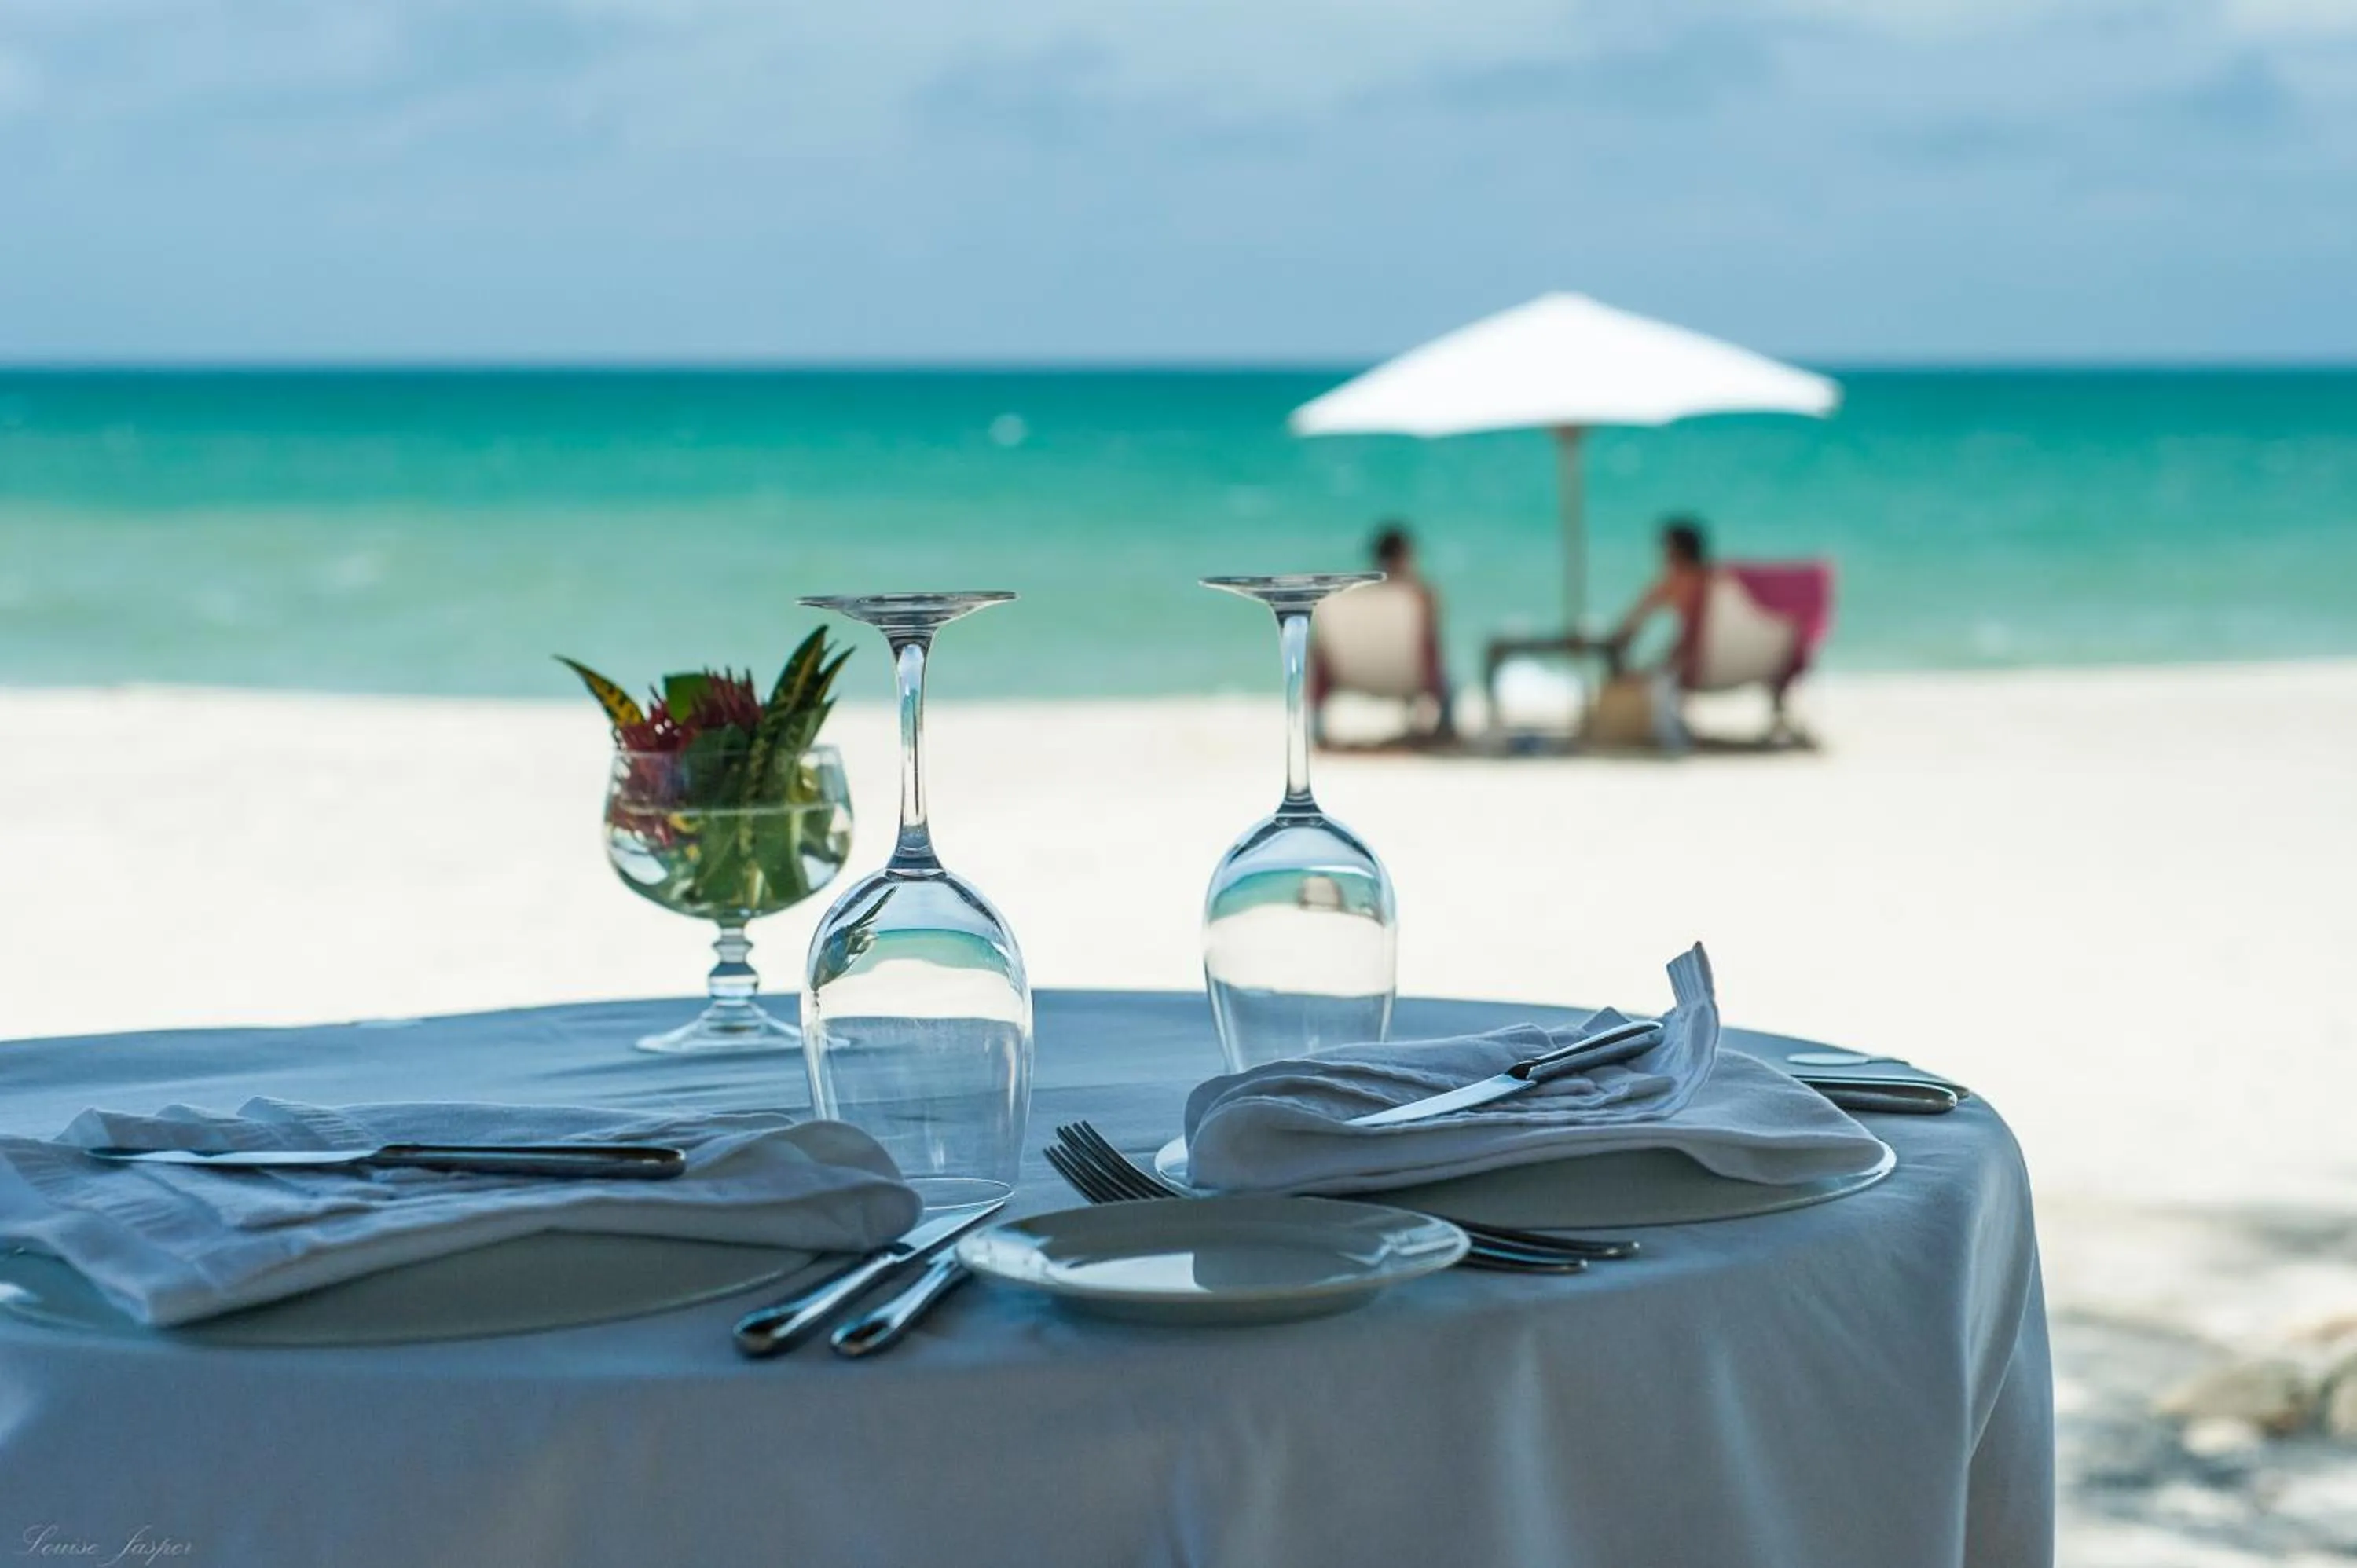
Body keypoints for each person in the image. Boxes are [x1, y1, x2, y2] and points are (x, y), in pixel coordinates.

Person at [1604, 515, 1714, 753]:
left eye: (1666, 547)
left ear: (1676, 550)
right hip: (1728, 662)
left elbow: (1632, 623)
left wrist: (1615, 643)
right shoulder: (1717, 580)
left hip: (1694, 665)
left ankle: (1671, 738)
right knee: (1662, 667)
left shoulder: (1674, 582)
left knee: (1657, 676)